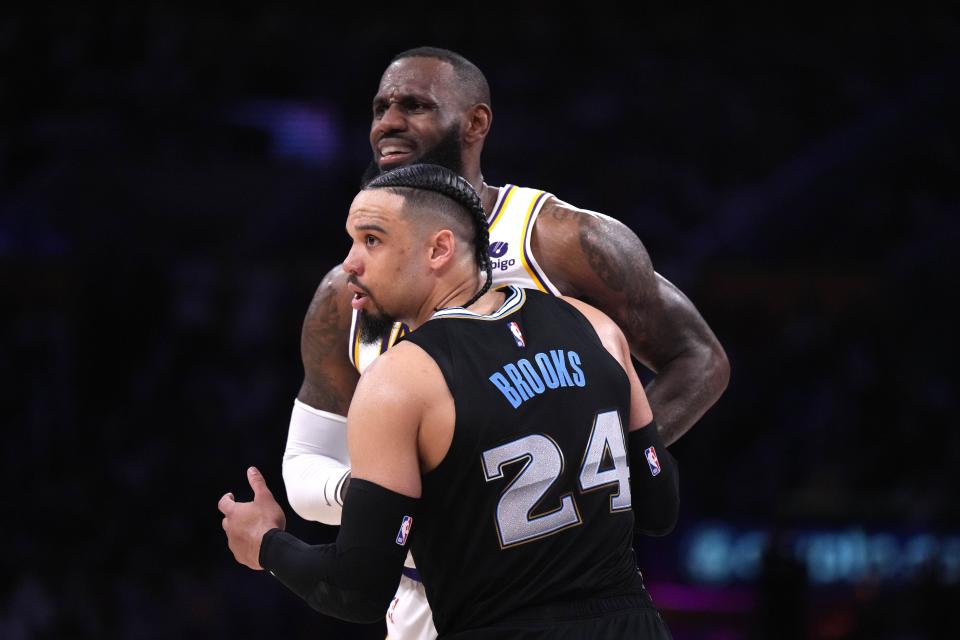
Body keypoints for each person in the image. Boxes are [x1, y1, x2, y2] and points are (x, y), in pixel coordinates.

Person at [281, 47, 727, 637]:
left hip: (562, 582)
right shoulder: (348, 291)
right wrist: (407, 499)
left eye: (414, 105)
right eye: (380, 106)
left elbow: (699, 358)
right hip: (422, 599)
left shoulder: (561, 239)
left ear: (475, 123)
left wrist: (586, 473)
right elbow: (308, 465)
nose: (387, 122)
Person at [221, 164, 679, 639]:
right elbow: (659, 506)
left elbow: (356, 591)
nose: (350, 264)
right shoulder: (595, 326)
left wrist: (265, 545)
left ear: (439, 249)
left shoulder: (400, 380)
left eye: (372, 241)